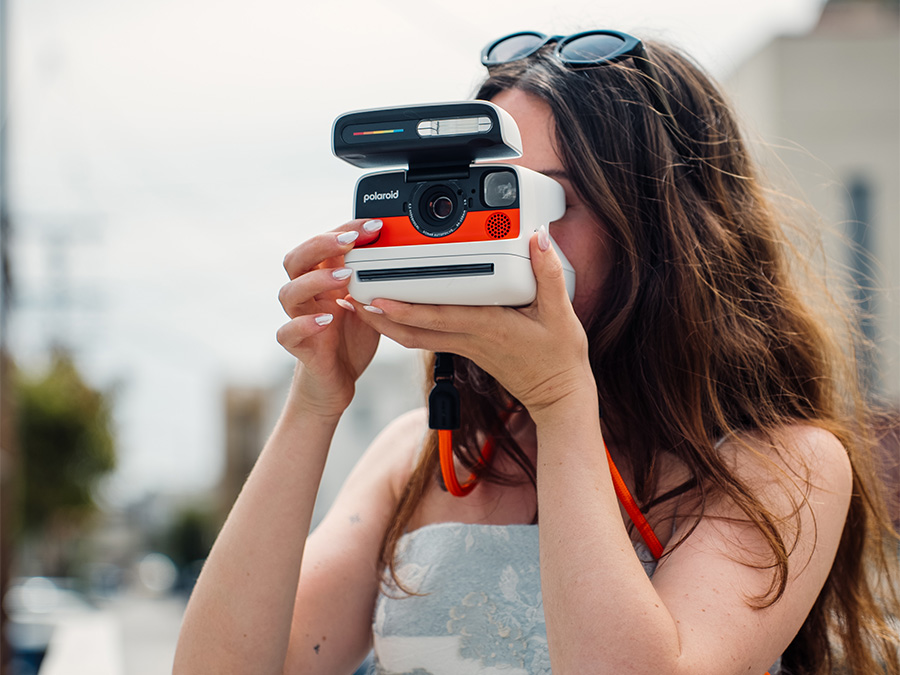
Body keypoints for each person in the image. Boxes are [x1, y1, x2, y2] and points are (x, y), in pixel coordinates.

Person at [174, 30, 900, 675]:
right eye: (479, 193)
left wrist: (561, 403)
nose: (494, 232)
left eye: (535, 199)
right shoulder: (425, 454)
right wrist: (314, 403)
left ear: (661, 232)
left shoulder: (784, 465)